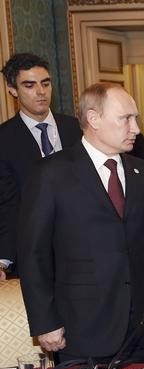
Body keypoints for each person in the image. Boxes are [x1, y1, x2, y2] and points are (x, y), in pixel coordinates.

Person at [17, 82, 144, 363]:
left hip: (141, 327)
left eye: (136, 119)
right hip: (81, 329)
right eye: (126, 119)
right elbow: (34, 255)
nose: (136, 129)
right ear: (93, 119)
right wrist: (45, 322)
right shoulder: (51, 175)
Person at [0, 52, 82, 280]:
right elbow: (9, 204)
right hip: (35, 256)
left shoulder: (76, 129)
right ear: (12, 89)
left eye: (45, 83)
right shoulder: (4, 140)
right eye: (29, 85)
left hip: (84, 251)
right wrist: (3, 259)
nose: (41, 92)